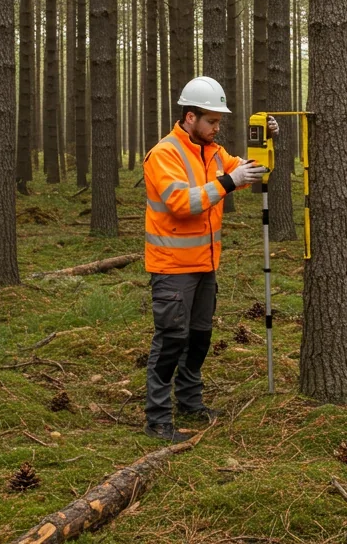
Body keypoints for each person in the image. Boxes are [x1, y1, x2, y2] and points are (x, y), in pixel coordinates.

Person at [141, 76, 276, 442]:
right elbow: (181, 203)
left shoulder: (213, 152)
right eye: (211, 122)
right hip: (172, 268)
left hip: (205, 265)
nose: (217, 128)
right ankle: (157, 418)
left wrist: (264, 143)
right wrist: (229, 182)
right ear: (189, 118)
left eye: (219, 122)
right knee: (171, 340)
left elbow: (247, 170)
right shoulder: (165, 154)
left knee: (200, 338)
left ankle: (189, 402)